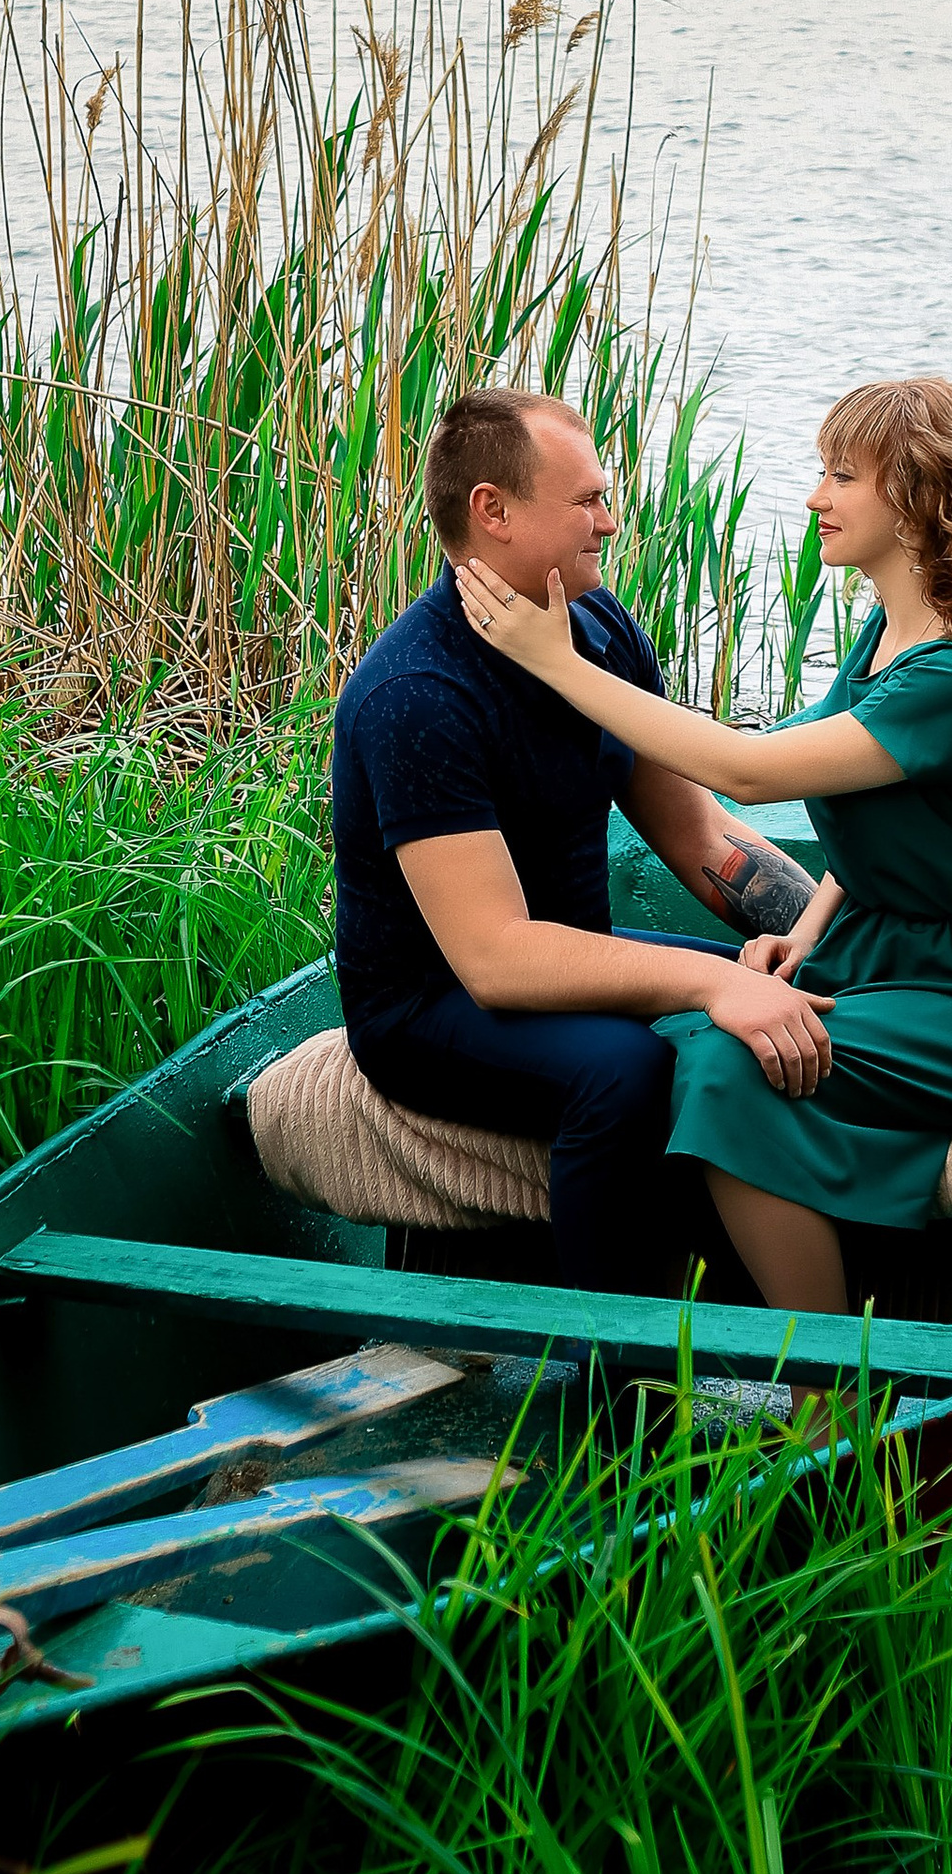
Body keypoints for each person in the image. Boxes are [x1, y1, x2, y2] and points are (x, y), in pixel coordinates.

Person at [452, 375, 952, 1315]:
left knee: (723, 1063)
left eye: (841, 476)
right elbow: (886, 826)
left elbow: (746, 771)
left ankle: (826, 1394)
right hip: (884, 949)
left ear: (916, 498)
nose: (816, 497)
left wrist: (556, 662)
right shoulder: (887, 632)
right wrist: (812, 929)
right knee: (690, 1036)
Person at [332, 386, 846, 1296]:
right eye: (587, 502)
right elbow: (494, 960)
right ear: (492, 511)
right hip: (431, 1004)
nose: (610, 522)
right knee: (626, 1070)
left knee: (800, 989)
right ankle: (614, 1394)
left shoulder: (597, 630)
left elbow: (697, 833)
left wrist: (821, 942)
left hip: (572, 956)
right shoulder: (417, 693)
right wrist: (712, 979)